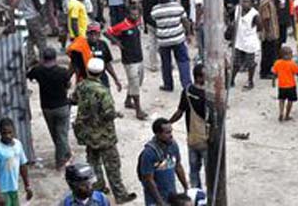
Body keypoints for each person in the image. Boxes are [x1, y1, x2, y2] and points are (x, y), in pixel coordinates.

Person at [73, 58, 137, 204]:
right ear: (101, 73)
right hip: (104, 135)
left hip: (88, 134)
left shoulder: (81, 85)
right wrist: (116, 114)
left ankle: (98, 188)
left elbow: (74, 99)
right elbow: (108, 113)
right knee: (112, 165)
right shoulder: (102, 91)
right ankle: (120, 195)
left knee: (93, 163)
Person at [26, 47, 72, 169]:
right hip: (62, 106)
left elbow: (28, 75)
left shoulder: (38, 70)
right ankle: (61, 161)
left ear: (43, 58)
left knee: (55, 133)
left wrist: (33, 64)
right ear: (55, 58)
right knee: (62, 134)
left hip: (47, 107)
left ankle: (65, 154)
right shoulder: (62, 72)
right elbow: (68, 85)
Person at [168, 64, 209, 190]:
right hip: (208, 140)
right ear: (199, 77)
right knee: (210, 171)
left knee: (193, 169)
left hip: (192, 138)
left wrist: (169, 122)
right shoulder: (209, 94)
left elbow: (179, 112)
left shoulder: (187, 91)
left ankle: (196, 194)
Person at [107, 5, 149, 119]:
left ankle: (128, 100)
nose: (135, 17)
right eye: (133, 14)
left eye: (137, 14)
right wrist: (117, 43)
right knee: (135, 83)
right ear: (128, 15)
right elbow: (108, 32)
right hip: (129, 60)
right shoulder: (122, 26)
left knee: (137, 81)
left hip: (139, 58)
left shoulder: (137, 22)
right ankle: (138, 110)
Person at [138, 118, 189, 206]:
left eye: (171, 131)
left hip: (171, 195)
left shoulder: (173, 145)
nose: (171, 135)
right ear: (158, 134)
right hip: (154, 199)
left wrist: (186, 187)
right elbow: (149, 180)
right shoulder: (149, 153)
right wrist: (160, 202)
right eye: (167, 133)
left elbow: (178, 166)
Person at [150, 0, 192, 92]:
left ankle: (168, 85)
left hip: (163, 41)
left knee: (166, 63)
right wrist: (188, 34)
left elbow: (154, 21)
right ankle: (187, 85)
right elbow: (185, 21)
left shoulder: (155, 10)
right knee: (183, 61)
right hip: (178, 39)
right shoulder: (177, 7)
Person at [0, 117, 33, 206]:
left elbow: (22, 165)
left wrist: (27, 186)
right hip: (1, 191)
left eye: (10, 132)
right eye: (4, 133)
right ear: (0, 132)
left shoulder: (18, 144)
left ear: (14, 131)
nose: (7, 135)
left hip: (13, 189)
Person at [271, 44, 298, 121]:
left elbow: (274, 73)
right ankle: (287, 115)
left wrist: (273, 82)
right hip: (291, 86)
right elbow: (297, 72)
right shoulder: (292, 64)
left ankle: (281, 112)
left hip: (281, 86)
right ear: (287, 55)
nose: (292, 56)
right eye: (291, 54)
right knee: (290, 101)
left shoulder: (277, 63)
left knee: (281, 100)